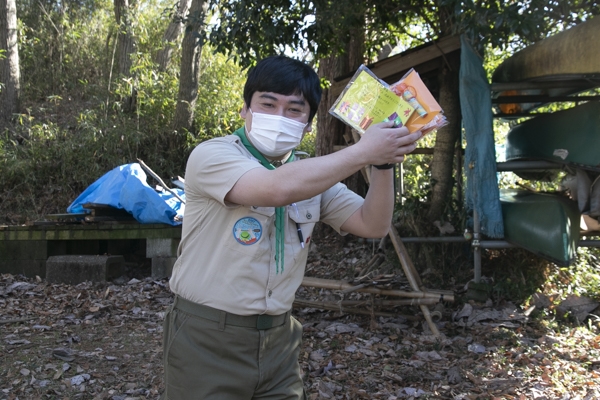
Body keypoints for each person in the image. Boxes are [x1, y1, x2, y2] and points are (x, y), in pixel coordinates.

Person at [162, 55, 421, 399]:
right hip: (207, 337)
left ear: (308, 125)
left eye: (294, 110)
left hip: (279, 341)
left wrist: (384, 164)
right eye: (268, 104)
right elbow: (275, 189)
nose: (279, 117)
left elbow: (373, 224)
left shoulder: (312, 175)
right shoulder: (213, 155)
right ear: (245, 110)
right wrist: (362, 152)